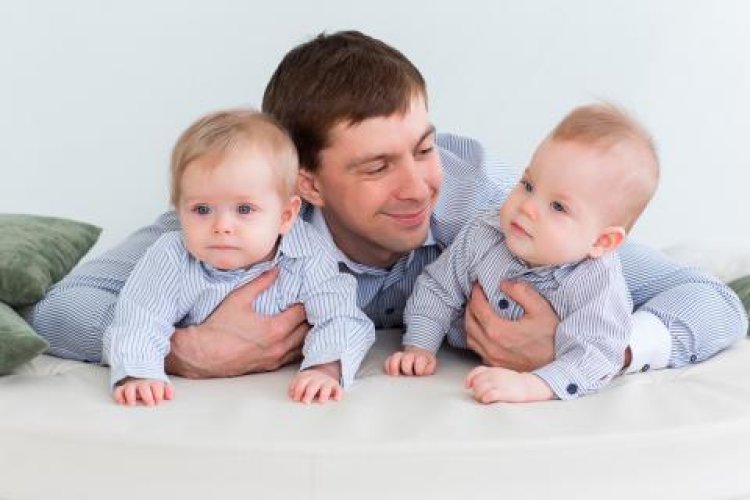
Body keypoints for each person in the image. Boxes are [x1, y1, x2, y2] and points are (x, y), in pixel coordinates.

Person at [27, 30, 748, 383]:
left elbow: (708, 300)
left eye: (422, 148)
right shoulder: (243, 215)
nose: (418, 186)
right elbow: (63, 307)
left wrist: (599, 349)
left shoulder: (496, 208)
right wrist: (181, 351)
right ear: (305, 187)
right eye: (376, 167)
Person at [386, 103, 659, 403]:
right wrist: (420, 346)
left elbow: (598, 354)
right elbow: (438, 288)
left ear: (603, 242)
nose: (527, 207)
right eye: (528, 185)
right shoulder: (485, 232)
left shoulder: (597, 284)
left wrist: (533, 385)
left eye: (558, 207)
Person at [102, 109, 374, 405]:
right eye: (202, 209)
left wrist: (324, 369)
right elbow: (138, 318)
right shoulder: (171, 256)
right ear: (178, 210)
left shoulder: (307, 253)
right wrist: (139, 373)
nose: (222, 227)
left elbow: (341, 316)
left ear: (286, 216)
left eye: (244, 209)